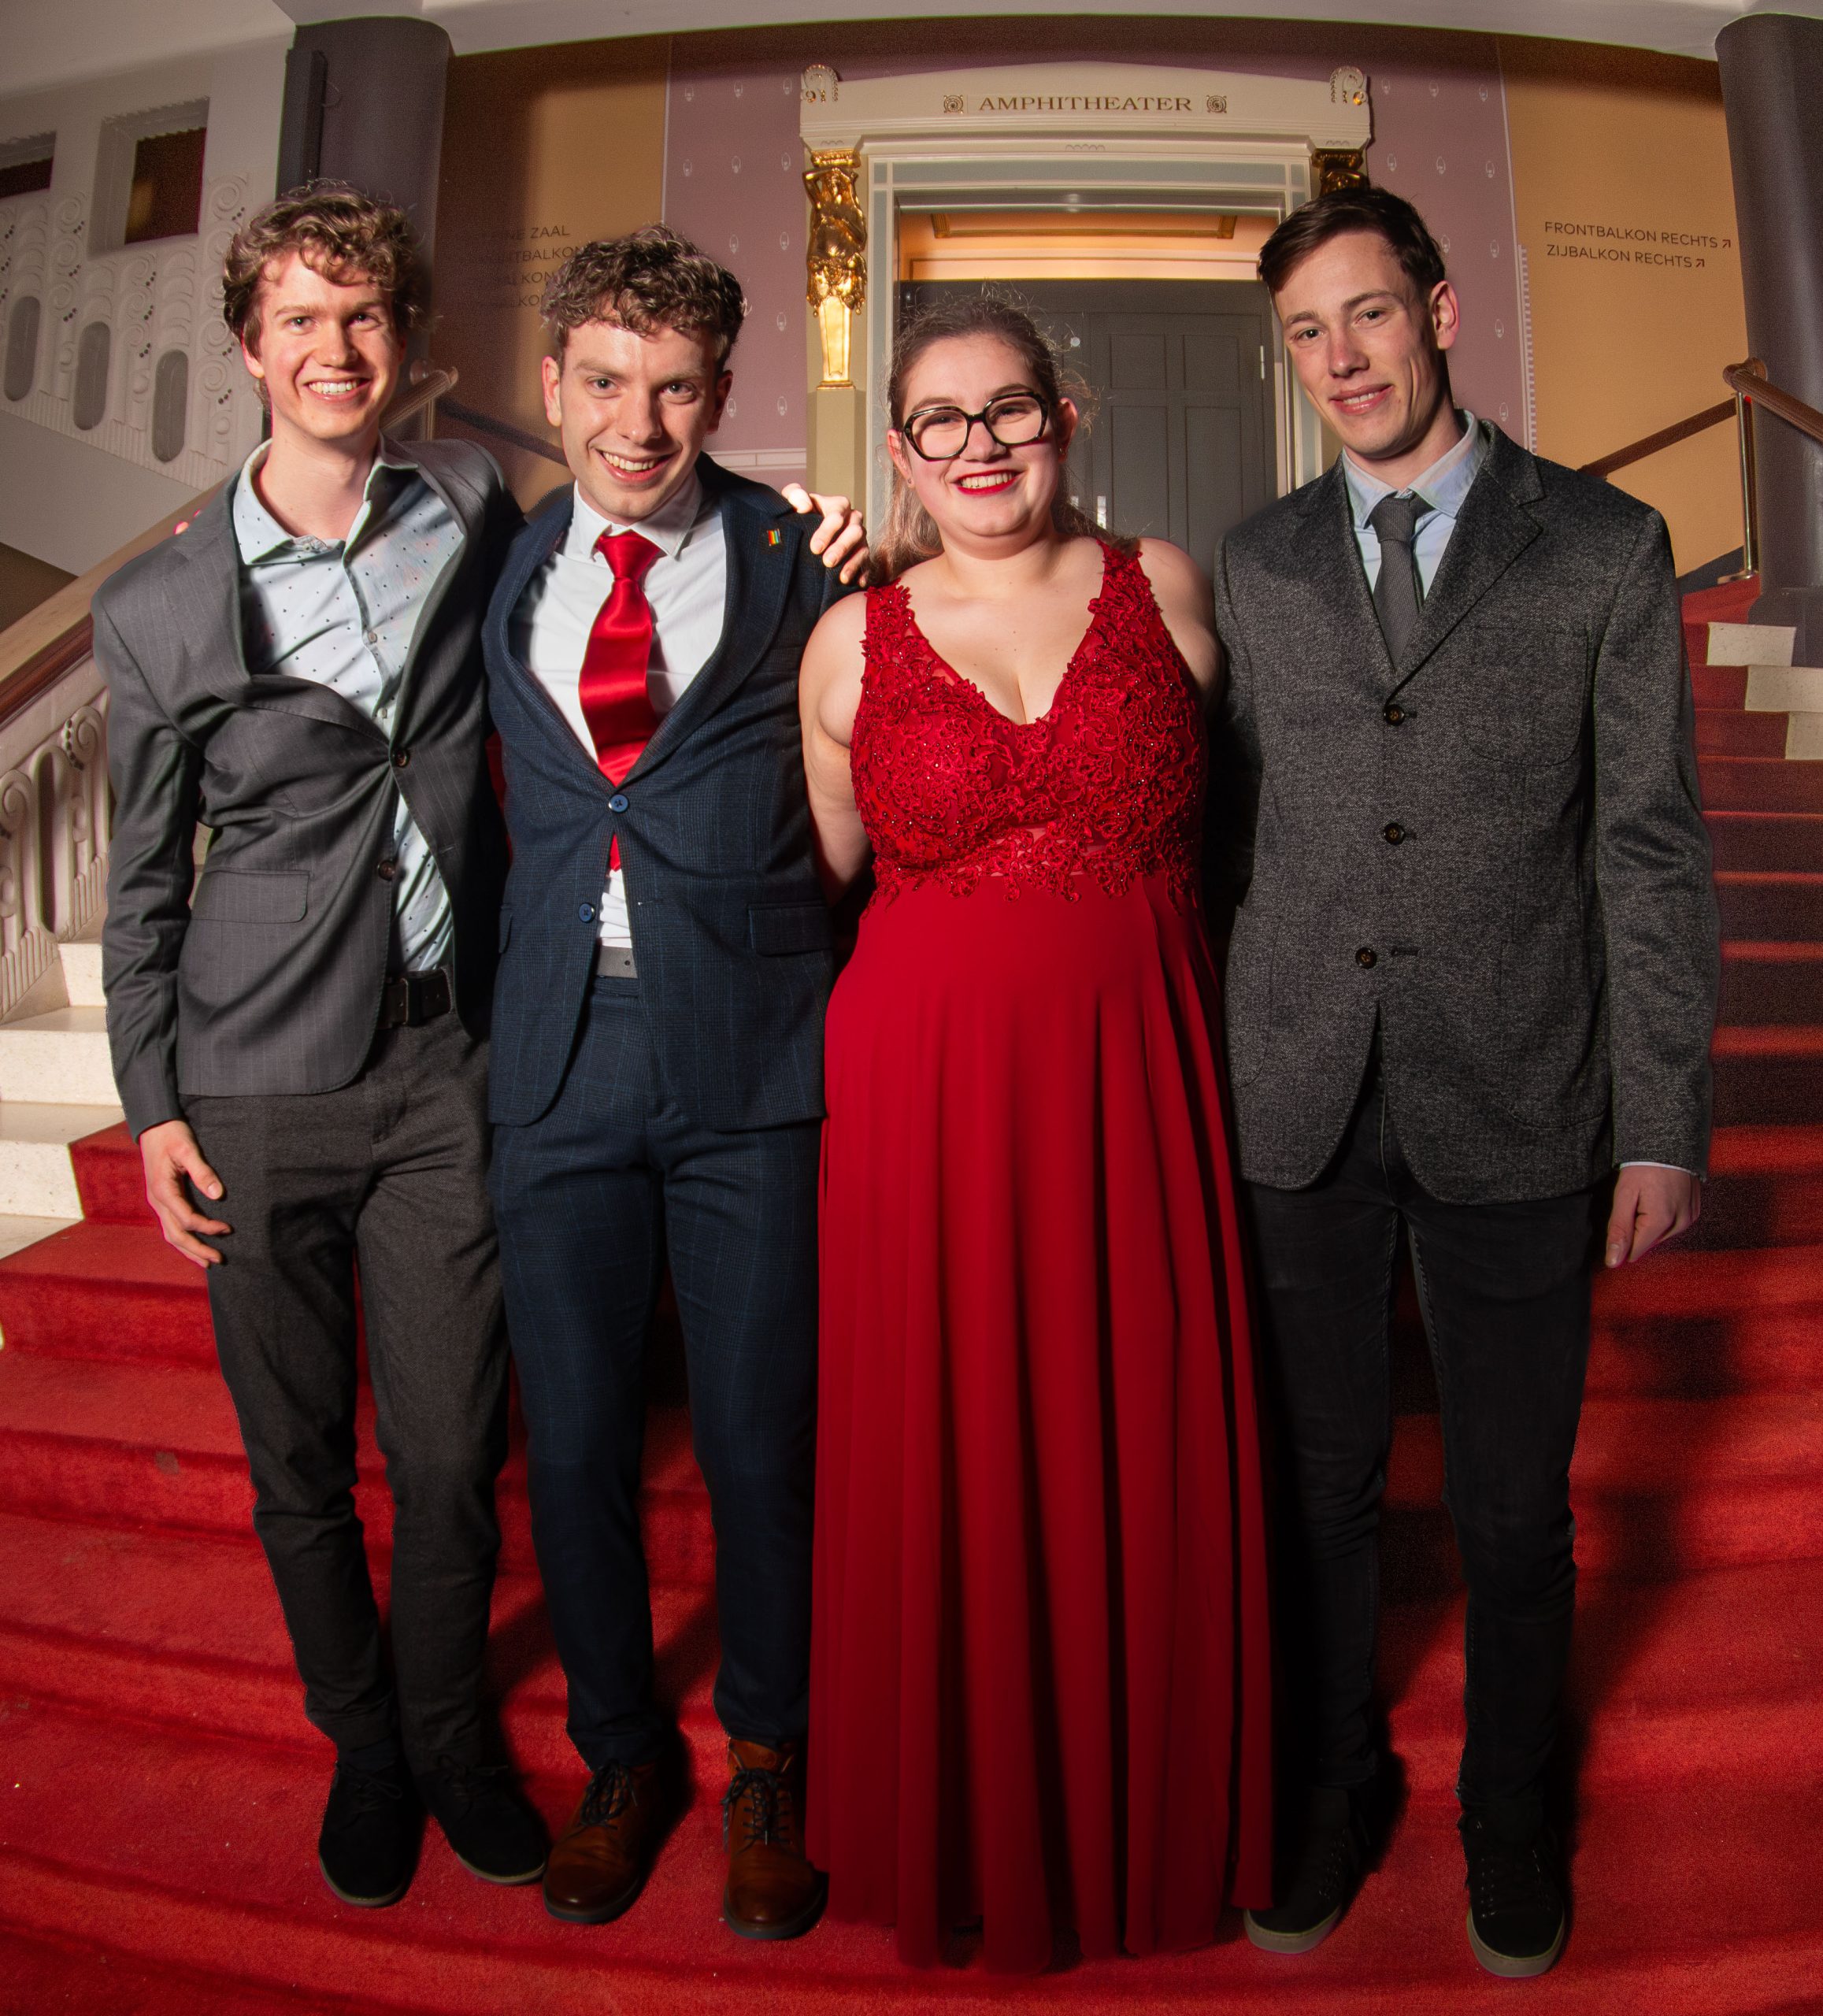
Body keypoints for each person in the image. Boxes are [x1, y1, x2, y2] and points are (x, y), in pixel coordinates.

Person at [1209, 186, 1718, 1979]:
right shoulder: (1257, 561)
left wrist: (1662, 1118)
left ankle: (1509, 1808)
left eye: (1367, 313)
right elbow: (1223, 837)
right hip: (1297, 1094)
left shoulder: (1605, 543)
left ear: (1435, 310)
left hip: (1523, 1089)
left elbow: (1647, 848)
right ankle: (1333, 1786)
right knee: (1316, 1490)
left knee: (1510, 1507)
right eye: (1306, 332)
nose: (1341, 357)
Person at [798, 293, 1274, 1974]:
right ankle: (961, 1827)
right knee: (952, 1440)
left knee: (1131, 1419)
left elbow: (1259, 830)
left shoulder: (1171, 586)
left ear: (1063, 417)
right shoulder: (847, 640)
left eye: (1008, 408)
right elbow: (823, 875)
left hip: (1138, 1075)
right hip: (924, 1097)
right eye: (941, 420)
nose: (979, 443)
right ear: (901, 453)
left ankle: (1150, 1819)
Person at [99, 183, 545, 1908]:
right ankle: (362, 1744)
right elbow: (145, 879)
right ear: (249, 348)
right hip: (254, 1078)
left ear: (403, 336)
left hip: (446, 1065)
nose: (335, 348)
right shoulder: (158, 603)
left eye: (362, 314)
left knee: (447, 1452)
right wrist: (153, 1105)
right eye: (299, 317)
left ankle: (448, 1733)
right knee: (298, 1461)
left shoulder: (474, 501)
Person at [482, 227, 865, 1940]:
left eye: (680, 388)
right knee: (570, 1442)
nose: (638, 423)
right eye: (606, 381)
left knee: (761, 1437)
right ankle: (621, 1755)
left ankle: (770, 1756)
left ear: (724, 392)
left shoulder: (802, 559)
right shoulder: (494, 565)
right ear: (553, 381)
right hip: (555, 1052)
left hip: (754, 1054)